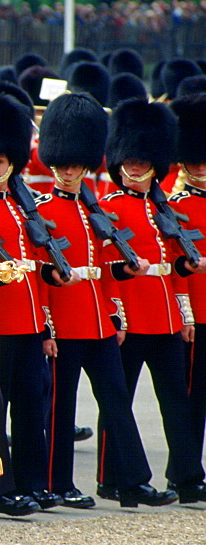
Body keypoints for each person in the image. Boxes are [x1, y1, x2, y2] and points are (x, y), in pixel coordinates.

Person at [35, 92, 177, 508]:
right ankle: (57, 483)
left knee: (117, 399)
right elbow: (43, 274)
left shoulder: (92, 208)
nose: (69, 172)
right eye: (63, 165)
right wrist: (46, 326)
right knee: (60, 410)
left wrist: (116, 314)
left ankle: (132, 481)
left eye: (76, 165)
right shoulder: (41, 210)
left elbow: (105, 266)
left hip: (98, 321)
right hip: (64, 321)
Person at [0, 89, 69, 514]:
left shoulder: (27, 205)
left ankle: (33, 482)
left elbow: (36, 267)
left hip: (27, 322)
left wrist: (45, 327)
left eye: (0, 161)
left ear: (11, 162)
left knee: (32, 405)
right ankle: (1, 489)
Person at [98, 97, 206, 502]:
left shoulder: (163, 210)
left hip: (164, 317)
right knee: (119, 401)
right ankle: (114, 477)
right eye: (134, 160)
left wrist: (185, 315)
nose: (139, 167)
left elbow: (174, 267)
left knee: (177, 399)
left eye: (146, 161)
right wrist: (117, 317)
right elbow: (107, 268)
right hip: (131, 316)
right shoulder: (108, 208)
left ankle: (189, 475)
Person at [170, 92, 206, 490]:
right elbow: (177, 265)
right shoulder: (177, 206)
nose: (199, 167)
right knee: (191, 398)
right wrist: (185, 314)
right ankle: (186, 472)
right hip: (197, 310)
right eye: (193, 161)